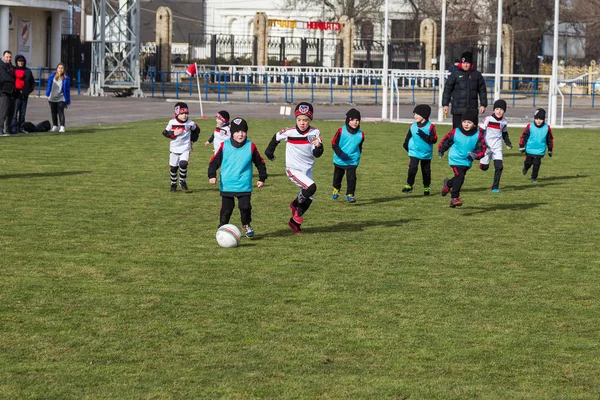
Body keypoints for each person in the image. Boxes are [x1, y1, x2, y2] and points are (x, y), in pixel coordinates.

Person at [265, 102, 324, 233]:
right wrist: (269, 153)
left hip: (306, 171)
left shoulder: (315, 132)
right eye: (299, 120)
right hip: (293, 169)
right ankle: (295, 205)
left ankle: (294, 223)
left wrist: (318, 146)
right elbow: (276, 137)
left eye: (305, 120)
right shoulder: (289, 132)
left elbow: (317, 154)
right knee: (311, 187)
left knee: (309, 198)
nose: (302, 123)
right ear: (295, 119)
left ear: (310, 120)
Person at [208, 117, 267, 238]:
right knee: (227, 209)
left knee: (245, 206)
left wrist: (261, 178)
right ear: (231, 133)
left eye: (243, 131)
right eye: (237, 131)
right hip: (227, 184)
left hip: (244, 184)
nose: (240, 134)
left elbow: (260, 163)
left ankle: (246, 224)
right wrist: (212, 175)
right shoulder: (225, 146)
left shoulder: (251, 146)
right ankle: (222, 227)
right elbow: (214, 162)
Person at [438, 109, 486, 208]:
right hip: (455, 159)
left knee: (458, 178)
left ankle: (448, 183)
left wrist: (476, 155)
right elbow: (446, 141)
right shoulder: (455, 132)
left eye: (469, 122)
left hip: (467, 161)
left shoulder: (478, 135)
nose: (466, 124)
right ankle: (454, 198)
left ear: (474, 124)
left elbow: (481, 149)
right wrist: (441, 150)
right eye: (464, 122)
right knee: (460, 176)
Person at [442, 51, 488, 128]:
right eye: (464, 63)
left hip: (472, 110)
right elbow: (447, 89)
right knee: (457, 132)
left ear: (471, 64)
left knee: (472, 132)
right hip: (458, 110)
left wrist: (483, 104)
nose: (465, 65)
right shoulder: (455, 74)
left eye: (467, 63)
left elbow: (482, 90)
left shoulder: (477, 75)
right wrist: (445, 104)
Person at [162, 102, 200, 192]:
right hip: (174, 149)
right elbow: (164, 133)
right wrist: (173, 133)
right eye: (182, 113)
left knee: (183, 164)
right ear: (176, 114)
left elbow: (197, 130)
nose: (184, 115)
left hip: (185, 149)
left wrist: (192, 140)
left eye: (186, 113)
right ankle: (173, 184)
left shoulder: (190, 123)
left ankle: (182, 181)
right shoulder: (172, 122)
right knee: (174, 168)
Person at [402, 104, 438, 196]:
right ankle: (409, 186)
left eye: (418, 114)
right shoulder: (412, 126)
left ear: (425, 115)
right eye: (414, 114)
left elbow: (434, 140)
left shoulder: (430, 127)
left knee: (426, 171)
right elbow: (408, 136)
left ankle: (426, 187)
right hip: (414, 152)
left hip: (426, 153)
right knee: (412, 168)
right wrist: (406, 145)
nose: (415, 116)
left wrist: (425, 136)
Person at [331, 108, 365, 203]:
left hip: (352, 160)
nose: (355, 122)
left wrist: (357, 156)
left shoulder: (361, 134)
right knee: (337, 177)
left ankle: (350, 195)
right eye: (353, 120)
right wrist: (341, 154)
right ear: (348, 120)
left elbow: (360, 147)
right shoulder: (341, 131)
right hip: (340, 159)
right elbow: (334, 143)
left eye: (357, 120)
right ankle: (336, 189)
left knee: (352, 178)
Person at [479, 99, 512, 192]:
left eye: (501, 109)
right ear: (494, 110)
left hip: (497, 148)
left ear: (504, 111)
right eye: (497, 109)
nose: (499, 111)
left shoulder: (504, 122)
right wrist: (482, 144)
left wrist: (508, 143)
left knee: (499, 167)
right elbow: (481, 132)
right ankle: (482, 164)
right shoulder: (488, 119)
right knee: (484, 168)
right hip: (486, 147)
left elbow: (505, 134)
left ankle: (495, 187)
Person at [519, 108, 554, 183]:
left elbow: (550, 139)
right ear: (534, 118)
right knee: (528, 162)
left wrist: (550, 150)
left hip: (540, 150)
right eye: (537, 118)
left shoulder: (547, 128)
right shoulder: (530, 126)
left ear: (544, 119)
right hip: (529, 149)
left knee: (536, 164)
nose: (538, 121)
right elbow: (524, 136)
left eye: (541, 119)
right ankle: (526, 167)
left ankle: (534, 177)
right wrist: (522, 146)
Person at [11, 54, 35, 134]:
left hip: (25, 95)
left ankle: (21, 127)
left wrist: (28, 91)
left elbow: (32, 82)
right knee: (15, 112)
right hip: (16, 95)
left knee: (23, 112)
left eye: (22, 61)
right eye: (19, 61)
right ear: (16, 62)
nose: (20, 63)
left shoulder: (27, 71)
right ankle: (14, 128)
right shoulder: (14, 70)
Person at [45, 63, 71, 133]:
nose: (60, 69)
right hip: (52, 97)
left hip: (61, 98)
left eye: (62, 68)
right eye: (59, 68)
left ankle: (62, 126)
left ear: (64, 69)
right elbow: (49, 86)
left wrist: (67, 100)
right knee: (53, 112)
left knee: (60, 111)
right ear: (57, 69)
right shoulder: (52, 76)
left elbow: (67, 90)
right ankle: (55, 126)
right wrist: (48, 95)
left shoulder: (66, 78)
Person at [0, 50, 15, 135]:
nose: (9, 58)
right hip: (3, 92)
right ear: (3, 57)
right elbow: (4, 77)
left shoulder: (10, 66)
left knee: (10, 112)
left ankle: (7, 129)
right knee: (3, 111)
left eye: (10, 57)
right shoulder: (1, 65)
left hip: (10, 91)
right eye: (7, 57)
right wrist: (15, 81)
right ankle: (0, 129)